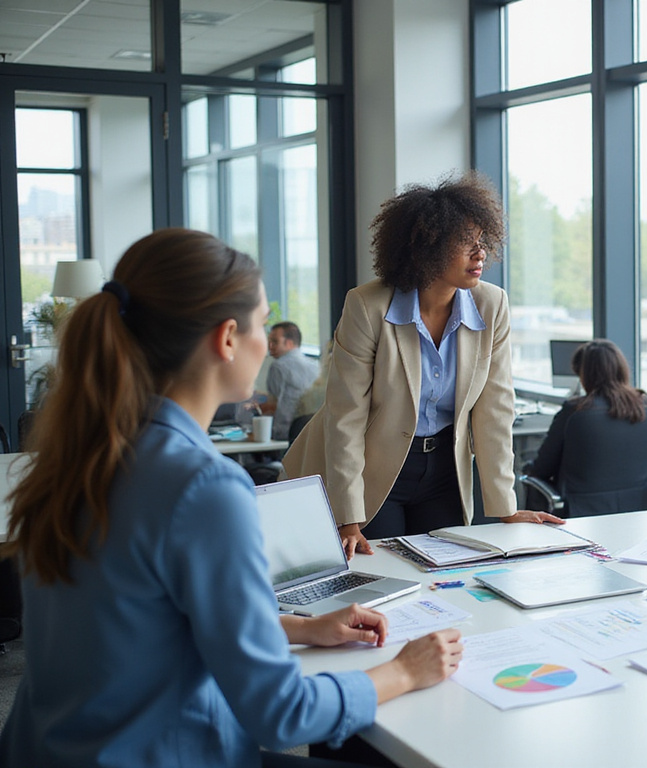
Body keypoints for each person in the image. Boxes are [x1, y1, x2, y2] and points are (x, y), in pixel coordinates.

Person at [0, 229, 462, 767]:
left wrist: (299, 628)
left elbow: (150, 619)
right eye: (263, 323)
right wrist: (404, 671)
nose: (266, 340)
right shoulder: (204, 488)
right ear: (226, 339)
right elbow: (281, 713)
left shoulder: (82, 454)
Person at [284, 171, 561, 560]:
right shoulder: (368, 307)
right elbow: (345, 416)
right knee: (386, 576)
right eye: (465, 243)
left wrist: (506, 508)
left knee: (446, 576)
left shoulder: (492, 304)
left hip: (445, 468)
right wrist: (347, 516)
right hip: (373, 469)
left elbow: (495, 408)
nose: (480, 254)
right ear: (426, 247)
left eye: (481, 242)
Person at [522, 339, 647, 516]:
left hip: (579, 515)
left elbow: (543, 469)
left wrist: (528, 470)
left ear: (584, 375)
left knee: (529, 474)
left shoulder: (574, 411)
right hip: (638, 513)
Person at [260, 320, 320, 440]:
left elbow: (273, 405)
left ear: (290, 343)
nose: (270, 346)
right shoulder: (316, 365)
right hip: (314, 434)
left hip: (284, 434)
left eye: (275, 342)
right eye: (269, 342)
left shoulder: (278, 366)